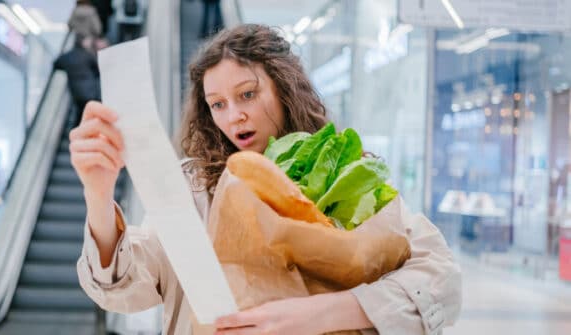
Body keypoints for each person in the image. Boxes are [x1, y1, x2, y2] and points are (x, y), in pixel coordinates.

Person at [72, 24, 461, 334]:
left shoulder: (345, 173)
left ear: (285, 87)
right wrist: (98, 195)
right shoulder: (192, 188)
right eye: (218, 105)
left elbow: (441, 280)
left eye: (247, 94)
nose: (233, 116)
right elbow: (127, 286)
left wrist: (324, 313)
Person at [54, 34, 101, 127]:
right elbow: (97, 70)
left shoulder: (68, 56)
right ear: (83, 42)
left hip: (76, 93)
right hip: (90, 91)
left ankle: (76, 133)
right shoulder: (87, 55)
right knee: (90, 112)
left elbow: (56, 64)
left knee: (80, 112)